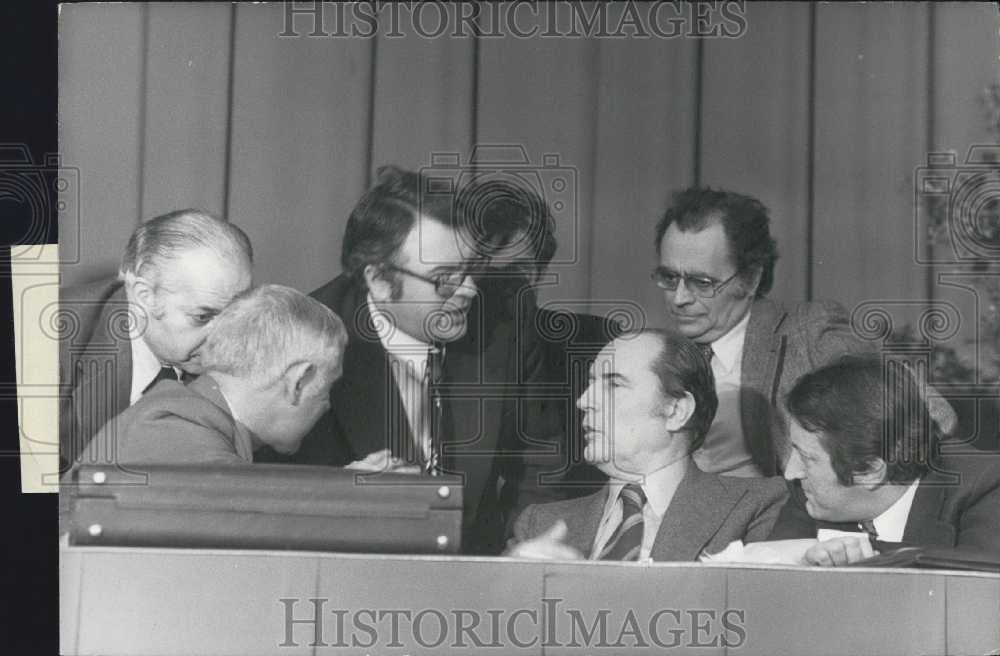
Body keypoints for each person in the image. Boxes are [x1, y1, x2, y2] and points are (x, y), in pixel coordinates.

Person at [257, 165, 527, 554]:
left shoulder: (506, 320)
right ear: (380, 280)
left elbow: (538, 464)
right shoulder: (299, 345)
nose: (469, 290)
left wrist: (524, 550)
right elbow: (271, 498)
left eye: (474, 269)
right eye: (445, 278)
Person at [653, 187, 954, 477]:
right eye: (669, 277)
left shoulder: (808, 333)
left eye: (702, 282)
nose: (679, 298)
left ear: (751, 278)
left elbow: (933, 415)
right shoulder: (660, 355)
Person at [507, 329, 788, 562]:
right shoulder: (539, 524)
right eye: (591, 383)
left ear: (676, 410)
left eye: (613, 385)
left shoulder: (755, 505)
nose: (584, 401)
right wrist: (513, 578)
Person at [59, 209, 253, 471]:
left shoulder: (251, 348)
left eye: (235, 315)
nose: (225, 338)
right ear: (144, 296)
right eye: (203, 316)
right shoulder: (45, 345)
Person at [74, 284, 347, 466]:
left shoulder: (186, 421)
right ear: (298, 380)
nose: (328, 405)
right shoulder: (182, 441)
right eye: (328, 388)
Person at [767, 355, 1000, 566]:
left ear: (869, 471)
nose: (790, 472)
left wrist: (865, 560)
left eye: (807, 458)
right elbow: (767, 575)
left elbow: (979, 592)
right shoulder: (806, 492)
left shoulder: (987, 486)